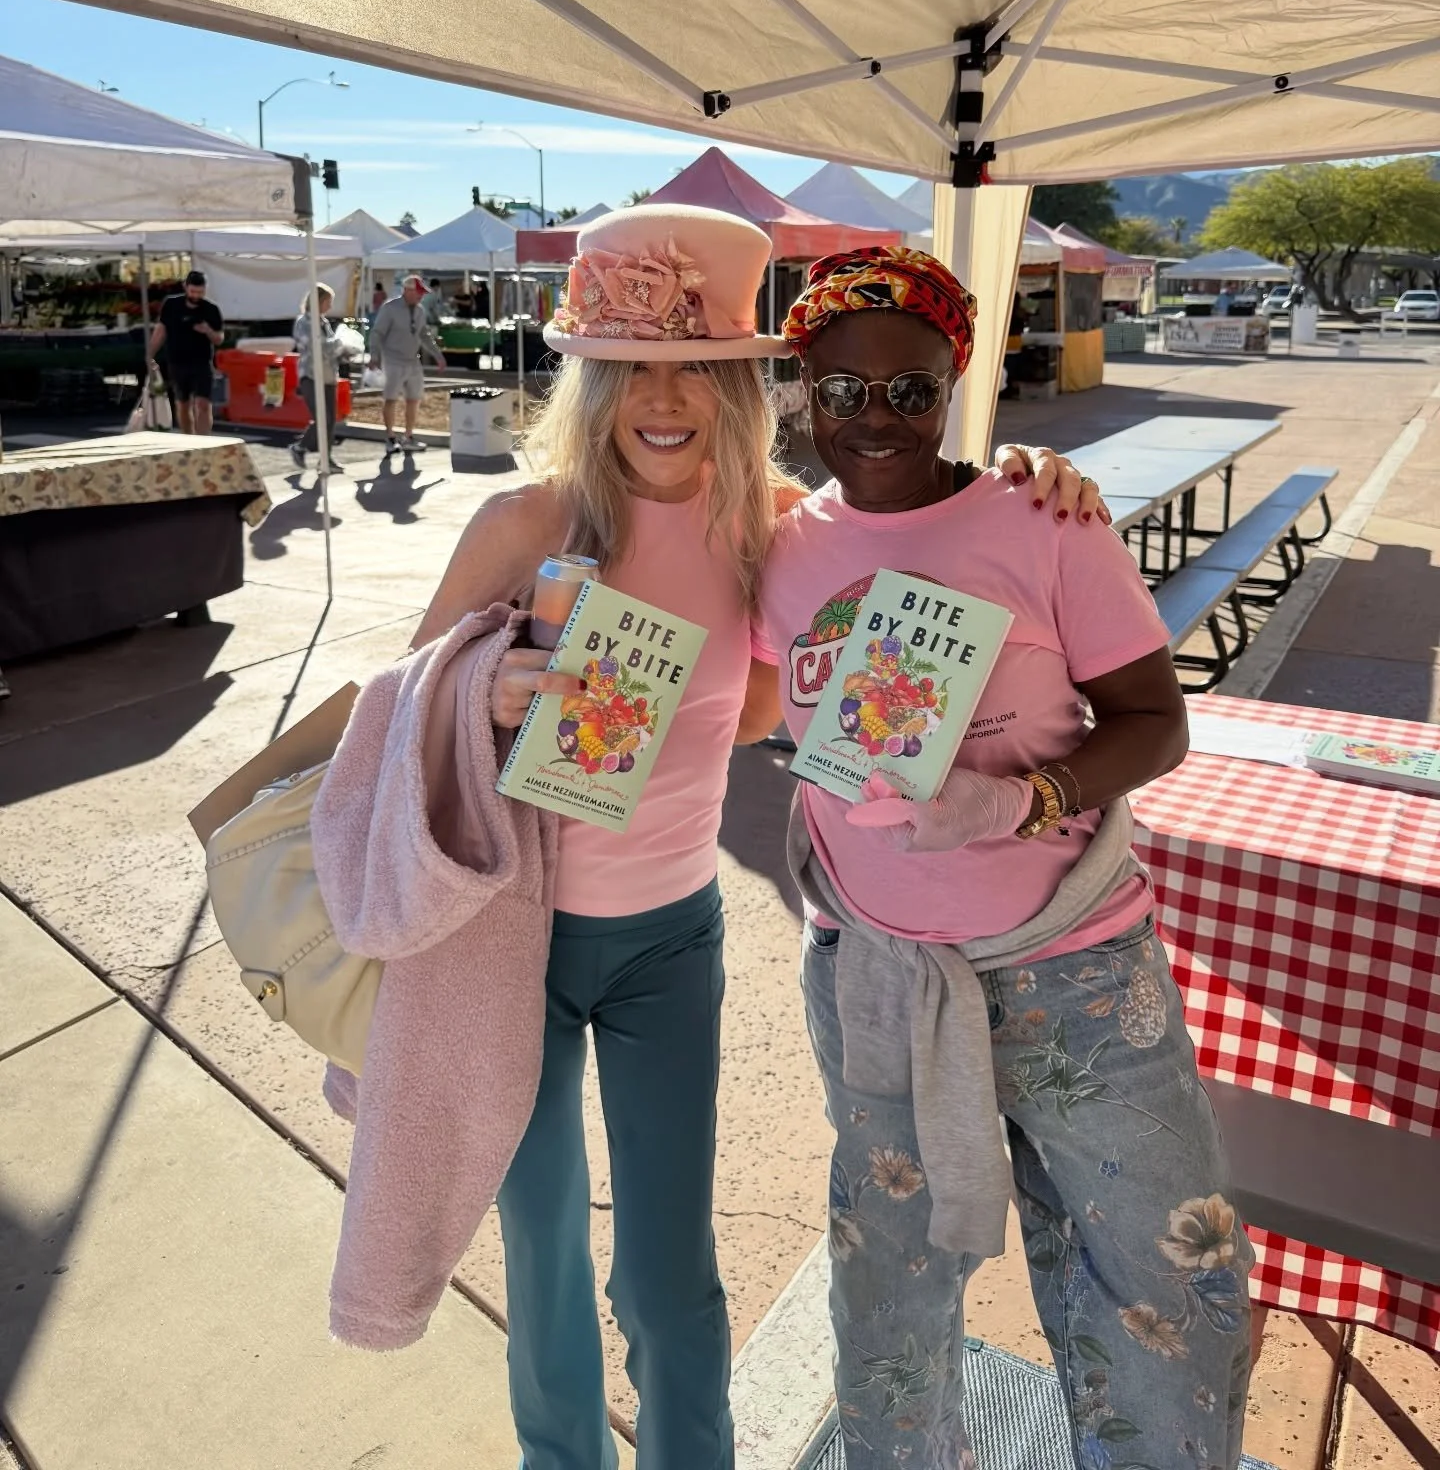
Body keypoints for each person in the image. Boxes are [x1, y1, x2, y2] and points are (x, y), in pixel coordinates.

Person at [410, 206, 1102, 1470]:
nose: (662, 398)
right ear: (593, 382)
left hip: (672, 941)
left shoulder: (773, 532)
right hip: (509, 941)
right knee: (543, 1244)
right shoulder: (525, 525)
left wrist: (1033, 481)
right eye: (631, 369)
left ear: (743, 386)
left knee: (671, 1268)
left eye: (700, 368)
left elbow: (776, 701)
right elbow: (402, 720)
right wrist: (485, 689)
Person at [750, 245, 1251, 1470]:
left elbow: (1157, 720)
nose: (877, 420)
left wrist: (1020, 802)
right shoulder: (771, 543)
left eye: (911, 390)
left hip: (1075, 981)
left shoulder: (1041, 519)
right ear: (801, 389)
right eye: (844, 391)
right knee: (889, 1290)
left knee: (1163, 1279)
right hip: (876, 978)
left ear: (956, 382)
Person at [369, 273, 445, 454]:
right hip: (393, 359)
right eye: (418, 292)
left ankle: (408, 436)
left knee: (414, 399)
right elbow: (377, 333)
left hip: (413, 361)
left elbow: (424, 335)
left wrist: (438, 355)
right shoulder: (390, 308)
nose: (421, 296)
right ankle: (389, 437)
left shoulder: (419, 311)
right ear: (407, 290)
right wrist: (374, 355)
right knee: (391, 398)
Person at [149, 269, 223, 434]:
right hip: (177, 361)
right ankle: (188, 438)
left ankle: (203, 441)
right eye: (193, 291)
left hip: (201, 362)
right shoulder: (171, 305)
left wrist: (207, 330)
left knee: (203, 404)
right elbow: (161, 330)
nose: (196, 296)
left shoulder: (211, 309)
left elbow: (219, 338)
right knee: (183, 403)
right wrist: (149, 354)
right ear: (185, 287)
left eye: (200, 292)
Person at [290, 281, 346, 472]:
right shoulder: (304, 323)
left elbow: (331, 348)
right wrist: (339, 343)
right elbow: (319, 347)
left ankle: (326, 459)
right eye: (328, 301)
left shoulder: (324, 322)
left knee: (330, 419)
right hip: (312, 375)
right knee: (321, 417)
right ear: (318, 301)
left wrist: (345, 349)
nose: (330, 306)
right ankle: (300, 447)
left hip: (329, 376)